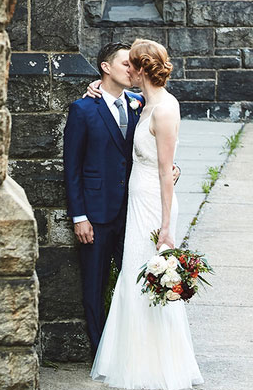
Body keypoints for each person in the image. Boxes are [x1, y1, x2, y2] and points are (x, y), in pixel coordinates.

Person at [90, 38, 203, 390]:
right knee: (133, 281)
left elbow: (166, 172)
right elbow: (117, 99)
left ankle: (157, 365)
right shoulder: (145, 103)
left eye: (131, 65)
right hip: (138, 202)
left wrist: (166, 227)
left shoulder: (165, 109)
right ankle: (132, 358)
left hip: (155, 206)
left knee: (150, 278)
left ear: (142, 70)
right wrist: (94, 85)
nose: (127, 70)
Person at [63, 42, 180, 355]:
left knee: (133, 281)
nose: (133, 70)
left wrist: (173, 168)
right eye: (126, 64)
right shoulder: (83, 108)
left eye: (135, 65)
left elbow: (156, 148)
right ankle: (102, 353)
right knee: (95, 285)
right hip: (96, 215)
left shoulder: (140, 104)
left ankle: (134, 350)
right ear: (105, 67)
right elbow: (71, 168)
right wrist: (79, 217)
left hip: (134, 211)